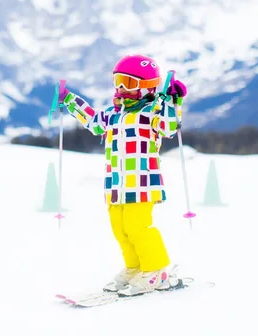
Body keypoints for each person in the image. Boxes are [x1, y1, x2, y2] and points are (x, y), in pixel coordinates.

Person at [58, 54, 187, 297]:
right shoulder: (113, 114)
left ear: (147, 87)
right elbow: (93, 121)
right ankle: (135, 267)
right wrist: (70, 100)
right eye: (117, 81)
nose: (120, 88)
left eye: (128, 83)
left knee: (138, 227)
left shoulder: (153, 111)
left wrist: (172, 101)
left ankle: (156, 271)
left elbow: (169, 126)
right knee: (121, 229)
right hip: (116, 185)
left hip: (142, 182)